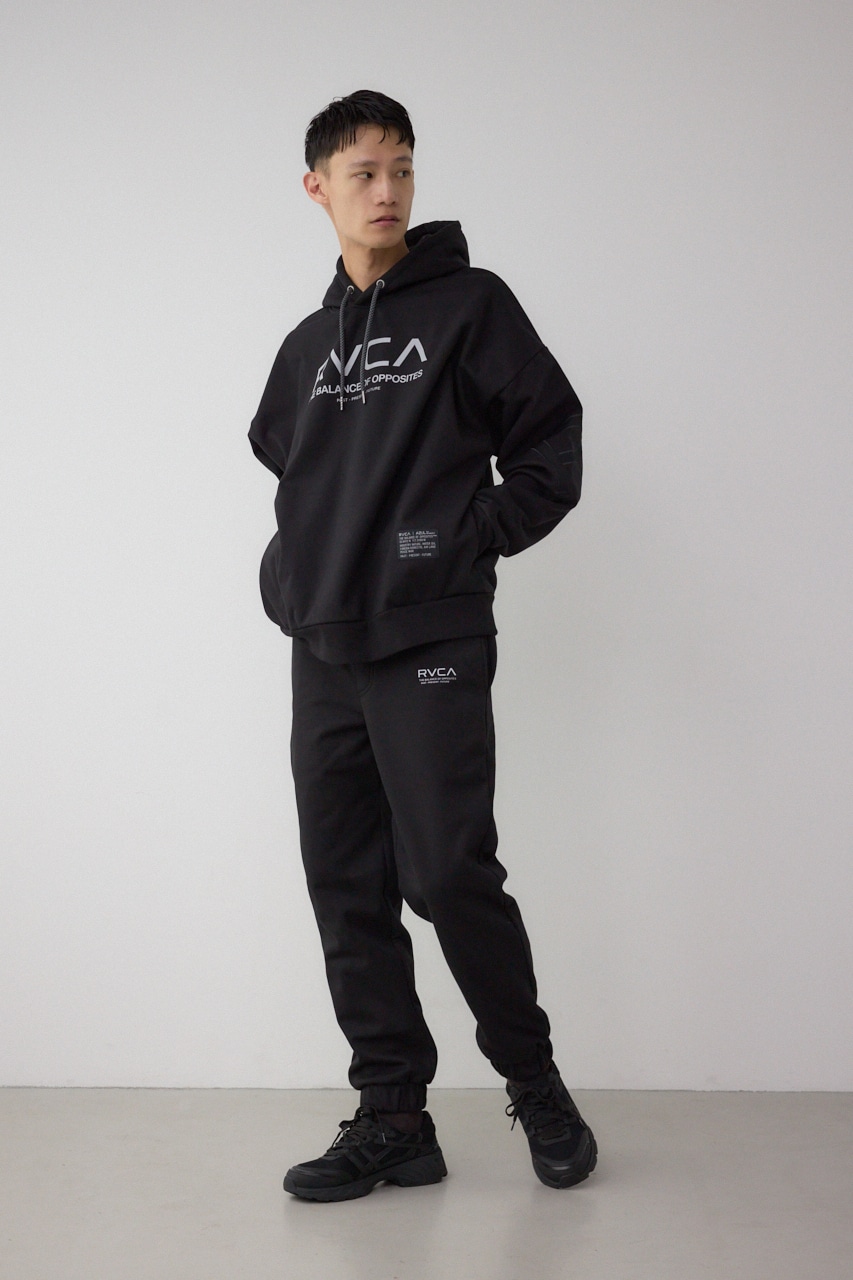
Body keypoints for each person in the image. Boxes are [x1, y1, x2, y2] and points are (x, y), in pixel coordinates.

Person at [248, 89, 597, 1202]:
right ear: (317, 187)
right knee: (346, 882)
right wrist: (288, 576)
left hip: (429, 634)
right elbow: (296, 477)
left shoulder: (469, 307)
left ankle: (534, 1080)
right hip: (325, 650)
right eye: (364, 171)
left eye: (401, 168)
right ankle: (395, 1116)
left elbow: (548, 446)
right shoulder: (305, 349)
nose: (388, 189)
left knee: (447, 871)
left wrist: (460, 540)